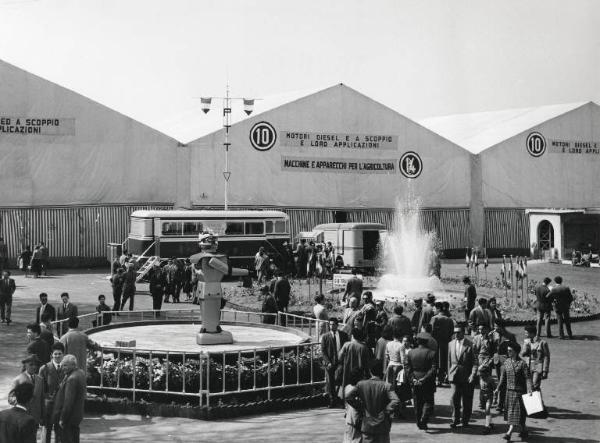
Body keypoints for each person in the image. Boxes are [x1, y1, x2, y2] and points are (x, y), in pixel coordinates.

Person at [351, 360, 399, 443]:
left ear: (370, 371)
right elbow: (396, 400)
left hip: (367, 425)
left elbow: (349, 397)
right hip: (382, 426)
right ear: (381, 371)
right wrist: (386, 411)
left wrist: (361, 408)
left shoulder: (361, 384)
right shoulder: (386, 386)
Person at [495, 342, 533, 441]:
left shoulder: (522, 364)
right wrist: (497, 388)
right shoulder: (506, 362)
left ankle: (509, 433)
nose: (508, 352)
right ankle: (524, 430)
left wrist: (530, 389)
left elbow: (528, 378)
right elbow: (502, 378)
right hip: (509, 392)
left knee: (515, 414)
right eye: (507, 350)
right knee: (516, 415)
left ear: (516, 352)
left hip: (519, 392)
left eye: (510, 350)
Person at [406, 332, 437, 430]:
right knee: (428, 401)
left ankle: (418, 421)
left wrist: (413, 379)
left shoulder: (411, 352)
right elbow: (433, 368)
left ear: (417, 341)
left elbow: (407, 367)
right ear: (427, 342)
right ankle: (424, 419)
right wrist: (424, 378)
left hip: (415, 379)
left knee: (417, 402)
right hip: (427, 381)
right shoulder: (432, 353)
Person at [448, 325, 477, 429]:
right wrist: (449, 374)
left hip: (466, 376)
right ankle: (455, 420)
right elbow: (449, 361)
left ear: (463, 332)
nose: (456, 334)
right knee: (454, 398)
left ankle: (465, 420)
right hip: (454, 375)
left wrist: (473, 375)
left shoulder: (470, 345)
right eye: (455, 332)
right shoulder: (450, 344)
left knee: (467, 400)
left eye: (458, 332)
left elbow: (475, 362)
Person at [53, 354, 87, 443]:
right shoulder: (80, 373)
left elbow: (68, 402)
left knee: (66, 439)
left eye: (65, 365)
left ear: (73, 365)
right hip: (76, 415)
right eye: (62, 365)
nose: (62, 368)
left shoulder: (72, 379)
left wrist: (62, 419)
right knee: (74, 438)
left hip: (69, 418)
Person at [39, 342, 65, 443]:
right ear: (51, 355)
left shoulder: (67, 368)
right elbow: (40, 390)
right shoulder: (44, 369)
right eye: (55, 354)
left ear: (63, 354)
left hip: (61, 406)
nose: (57, 356)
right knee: (46, 430)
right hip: (48, 406)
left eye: (60, 353)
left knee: (60, 431)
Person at [321, 317, 349, 407]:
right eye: (330, 324)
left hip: (340, 362)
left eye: (333, 324)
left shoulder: (343, 335)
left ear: (337, 325)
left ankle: (341, 399)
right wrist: (328, 362)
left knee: (340, 381)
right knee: (331, 382)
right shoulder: (325, 336)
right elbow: (323, 351)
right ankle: (332, 400)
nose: (331, 326)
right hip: (330, 363)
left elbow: (346, 349)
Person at [9, 355, 44, 426]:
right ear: (25, 365)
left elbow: (41, 399)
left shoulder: (40, 380)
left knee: (33, 436)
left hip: (35, 417)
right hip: (22, 417)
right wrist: (19, 402)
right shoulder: (18, 380)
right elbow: (10, 399)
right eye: (31, 364)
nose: (34, 367)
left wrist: (42, 416)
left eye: (36, 365)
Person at [474, 323, 497, 434]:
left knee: (486, 379)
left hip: (487, 361)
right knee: (481, 380)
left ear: (487, 329)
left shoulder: (491, 339)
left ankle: (487, 397)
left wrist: (489, 362)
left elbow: (493, 353)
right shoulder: (476, 338)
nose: (481, 331)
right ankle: (482, 398)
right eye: (479, 329)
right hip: (479, 359)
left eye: (483, 329)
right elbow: (474, 351)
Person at [338, 328, 373, 399]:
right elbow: (366, 362)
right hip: (359, 371)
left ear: (353, 336)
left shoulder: (347, 345)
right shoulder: (364, 347)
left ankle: (345, 401)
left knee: (347, 386)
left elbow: (340, 357)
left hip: (347, 369)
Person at [521, 325, 550, 391]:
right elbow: (522, 354)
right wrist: (526, 348)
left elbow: (546, 357)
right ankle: (534, 401)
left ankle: (538, 400)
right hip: (528, 366)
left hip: (537, 367)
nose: (525, 335)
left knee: (535, 385)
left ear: (532, 333)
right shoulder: (526, 342)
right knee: (528, 386)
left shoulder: (542, 343)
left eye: (526, 333)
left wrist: (545, 370)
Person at [431, 301, 454, 386]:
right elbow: (452, 332)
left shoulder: (435, 318)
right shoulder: (449, 319)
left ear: (438, 309)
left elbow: (431, 331)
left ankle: (437, 379)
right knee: (444, 361)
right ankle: (443, 378)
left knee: (435, 361)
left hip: (436, 343)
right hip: (446, 343)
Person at [342, 368, 364, 443]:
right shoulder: (359, 389)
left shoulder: (347, 387)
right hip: (356, 419)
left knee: (348, 439)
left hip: (348, 417)